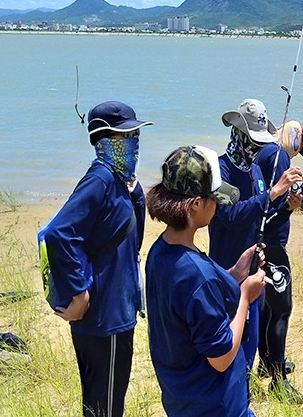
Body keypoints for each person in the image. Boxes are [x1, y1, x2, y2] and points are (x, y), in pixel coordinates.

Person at [41, 100, 151, 417]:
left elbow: (132, 241)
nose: (134, 144)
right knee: (107, 405)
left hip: (116, 309)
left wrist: (135, 193)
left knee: (100, 402)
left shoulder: (120, 180)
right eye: (125, 137)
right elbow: (60, 233)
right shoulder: (100, 179)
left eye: (135, 136)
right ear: (103, 141)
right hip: (106, 317)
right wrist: (79, 294)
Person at [145, 145, 266, 416]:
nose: (217, 206)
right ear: (196, 205)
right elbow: (221, 358)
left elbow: (190, 308)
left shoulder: (159, 252)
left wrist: (234, 275)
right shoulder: (198, 276)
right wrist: (245, 298)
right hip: (215, 406)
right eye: (214, 199)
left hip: (182, 399)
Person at [208, 98, 302, 408]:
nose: (256, 149)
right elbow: (230, 218)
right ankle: (228, 401)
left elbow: (264, 216)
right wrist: (273, 193)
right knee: (228, 345)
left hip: (255, 273)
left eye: (260, 142)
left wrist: (286, 205)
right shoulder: (220, 171)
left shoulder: (254, 173)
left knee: (250, 343)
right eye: (252, 141)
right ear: (236, 133)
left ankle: (243, 399)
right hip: (227, 272)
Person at [255, 120, 303, 402]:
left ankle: (267, 362)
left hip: (260, 242)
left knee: (266, 306)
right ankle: (278, 381)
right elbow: (281, 206)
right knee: (282, 308)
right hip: (271, 245)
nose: (296, 154)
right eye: (299, 148)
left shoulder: (262, 152)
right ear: (293, 136)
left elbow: (277, 202)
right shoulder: (278, 155)